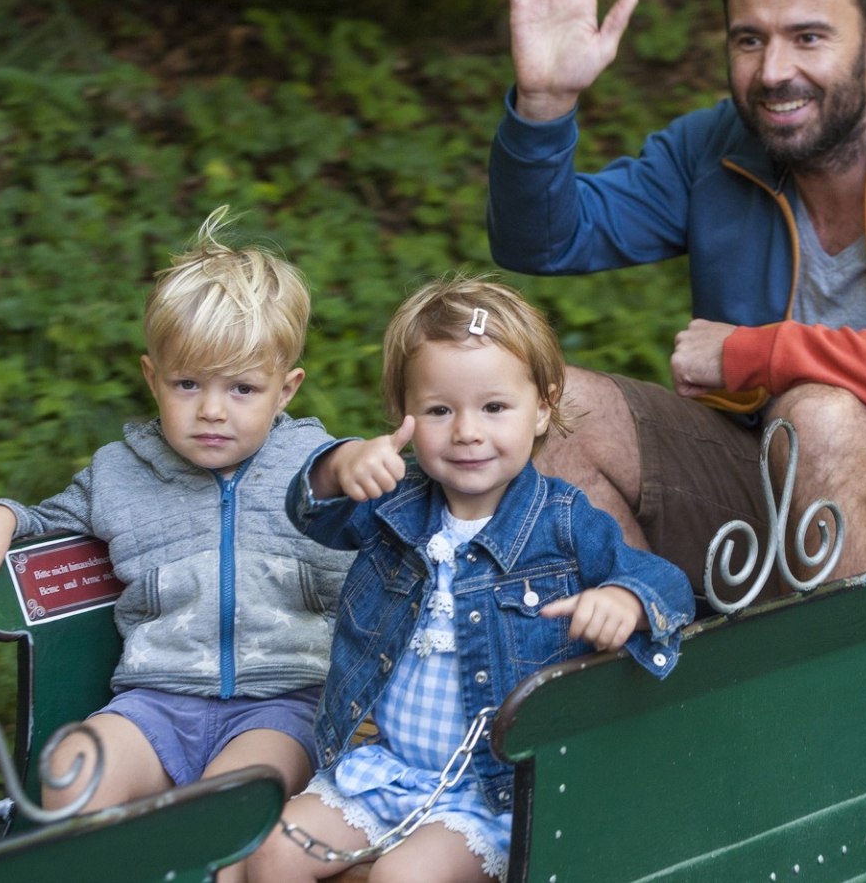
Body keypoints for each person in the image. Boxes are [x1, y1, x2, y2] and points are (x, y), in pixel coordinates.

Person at [485, 0, 866, 742]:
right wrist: (545, 105)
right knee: (565, 413)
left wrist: (753, 352)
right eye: (749, 40)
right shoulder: (714, 149)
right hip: (767, 478)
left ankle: (854, 752)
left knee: (819, 418)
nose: (772, 71)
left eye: (808, 38)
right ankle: (646, 720)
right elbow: (545, 241)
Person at [244, 277, 693, 883]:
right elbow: (315, 512)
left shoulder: (562, 523)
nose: (467, 432)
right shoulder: (393, 506)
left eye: (494, 407)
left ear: (543, 408)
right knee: (268, 854)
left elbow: (665, 582)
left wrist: (625, 599)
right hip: (386, 770)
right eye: (439, 410)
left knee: (401, 878)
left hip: (488, 794)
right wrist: (338, 463)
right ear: (405, 415)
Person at [0, 208, 351, 849]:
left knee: (226, 802)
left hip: (284, 705)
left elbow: (385, 564)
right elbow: (47, 521)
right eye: (187, 384)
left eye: (242, 389)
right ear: (151, 379)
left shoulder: (317, 470)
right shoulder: (120, 473)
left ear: (286, 389)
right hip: (157, 702)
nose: (212, 411)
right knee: (72, 769)